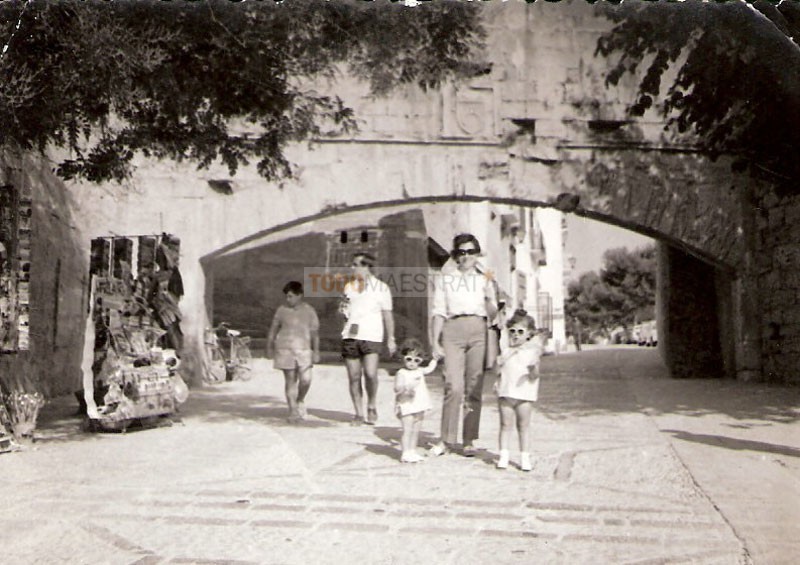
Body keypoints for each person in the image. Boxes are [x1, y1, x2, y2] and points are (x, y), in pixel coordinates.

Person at [429, 233, 498, 457]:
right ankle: (446, 439)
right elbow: (438, 312)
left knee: (474, 387)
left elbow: (493, 312)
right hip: (453, 331)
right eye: (461, 252)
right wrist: (434, 342)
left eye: (470, 252)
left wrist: (490, 296)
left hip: (478, 330)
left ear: (477, 254)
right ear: (455, 255)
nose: (466, 256)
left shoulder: (485, 278)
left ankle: (469, 440)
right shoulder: (445, 279)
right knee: (454, 386)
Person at [340, 252, 396, 425]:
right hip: (350, 336)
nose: (353, 268)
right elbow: (345, 311)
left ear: (367, 267)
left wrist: (391, 338)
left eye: (356, 264)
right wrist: (343, 314)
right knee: (353, 377)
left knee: (371, 374)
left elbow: (387, 315)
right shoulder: (349, 287)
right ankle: (358, 413)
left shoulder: (382, 288)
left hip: (372, 336)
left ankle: (371, 404)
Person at [494, 309, 542, 472]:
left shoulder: (532, 353)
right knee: (505, 425)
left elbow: (535, 376)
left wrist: (532, 369)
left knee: (523, 426)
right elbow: (497, 371)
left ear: (529, 334)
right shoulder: (506, 351)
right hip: (506, 393)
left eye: (520, 331)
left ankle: (524, 457)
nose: (515, 335)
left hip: (524, 395)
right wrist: (498, 365)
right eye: (512, 331)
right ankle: (503, 456)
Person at [266, 281, 320, 423]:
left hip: (304, 349)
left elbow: (315, 333)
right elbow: (273, 329)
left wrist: (316, 351)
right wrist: (269, 347)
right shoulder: (281, 310)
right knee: (290, 380)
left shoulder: (309, 311)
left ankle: (300, 399)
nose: (288, 299)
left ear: (299, 295)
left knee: (306, 379)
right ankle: (293, 411)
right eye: (286, 296)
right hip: (285, 349)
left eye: (290, 296)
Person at [394, 338, 438, 463]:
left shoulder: (420, 371)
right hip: (406, 404)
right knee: (407, 430)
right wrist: (405, 388)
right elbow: (397, 388)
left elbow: (429, 368)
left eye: (416, 360)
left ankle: (412, 451)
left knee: (416, 430)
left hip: (419, 404)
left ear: (421, 360)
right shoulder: (401, 373)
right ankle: (405, 453)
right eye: (409, 359)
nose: (412, 363)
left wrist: (435, 359)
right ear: (402, 357)